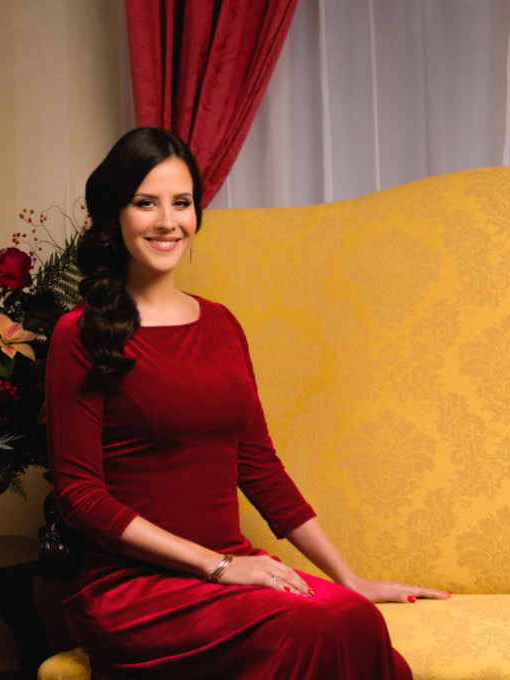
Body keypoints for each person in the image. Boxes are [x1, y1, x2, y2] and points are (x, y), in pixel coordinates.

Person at [45, 127, 451, 680]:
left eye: (182, 202)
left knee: (354, 617)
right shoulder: (79, 334)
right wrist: (219, 566)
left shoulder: (221, 323)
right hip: (133, 588)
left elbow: (260, 467)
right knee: (320, 628)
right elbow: (80, 499)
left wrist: (348, 578)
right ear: (115, 214)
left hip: (230, 568)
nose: (168, 221)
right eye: (146, 203)